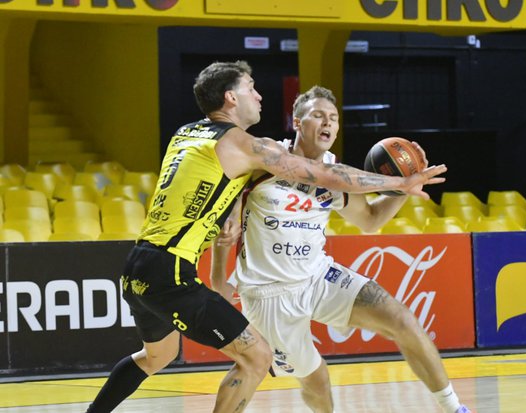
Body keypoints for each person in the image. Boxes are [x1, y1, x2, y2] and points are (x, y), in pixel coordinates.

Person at [86, 62, 448, 413]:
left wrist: (225, 234)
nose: (259, 96)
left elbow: (219, 201)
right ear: (231, 97)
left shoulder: (187, 133)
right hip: (176, 274)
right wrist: (400, 182)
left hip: (139, 265)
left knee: (156, 356)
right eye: (251, 88)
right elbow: (322, 175)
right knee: (257, 358)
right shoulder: (245, 145)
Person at [211, 85, 471, 413]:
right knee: (311, 379)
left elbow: (371, 220)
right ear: (297, 121)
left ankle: (454, 408)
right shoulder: (266, 156)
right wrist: (218, 277)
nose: (328, 123)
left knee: (402, 319)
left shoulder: (336, 175)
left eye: (333, 118)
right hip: (269, 293)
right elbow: (226, 211)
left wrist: (405, 188)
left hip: (318, 276)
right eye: (318, 115)